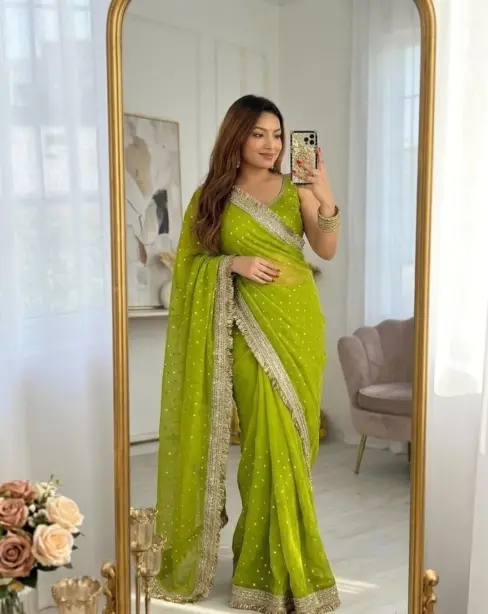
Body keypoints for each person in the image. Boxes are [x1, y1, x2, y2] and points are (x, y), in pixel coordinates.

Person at [151, 94, 341, 614]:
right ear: (236, 135)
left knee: (295, 449)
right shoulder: (210, 197)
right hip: (247, 330)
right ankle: (261, 572)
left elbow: (326, 249)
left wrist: (323, 194)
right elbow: (190, 265)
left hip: (299, 327)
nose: (271, 144)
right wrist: (232, 263)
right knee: (262, 445)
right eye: (259, 134)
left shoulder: (296, 188)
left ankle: (290, 567)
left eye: (277, 135)